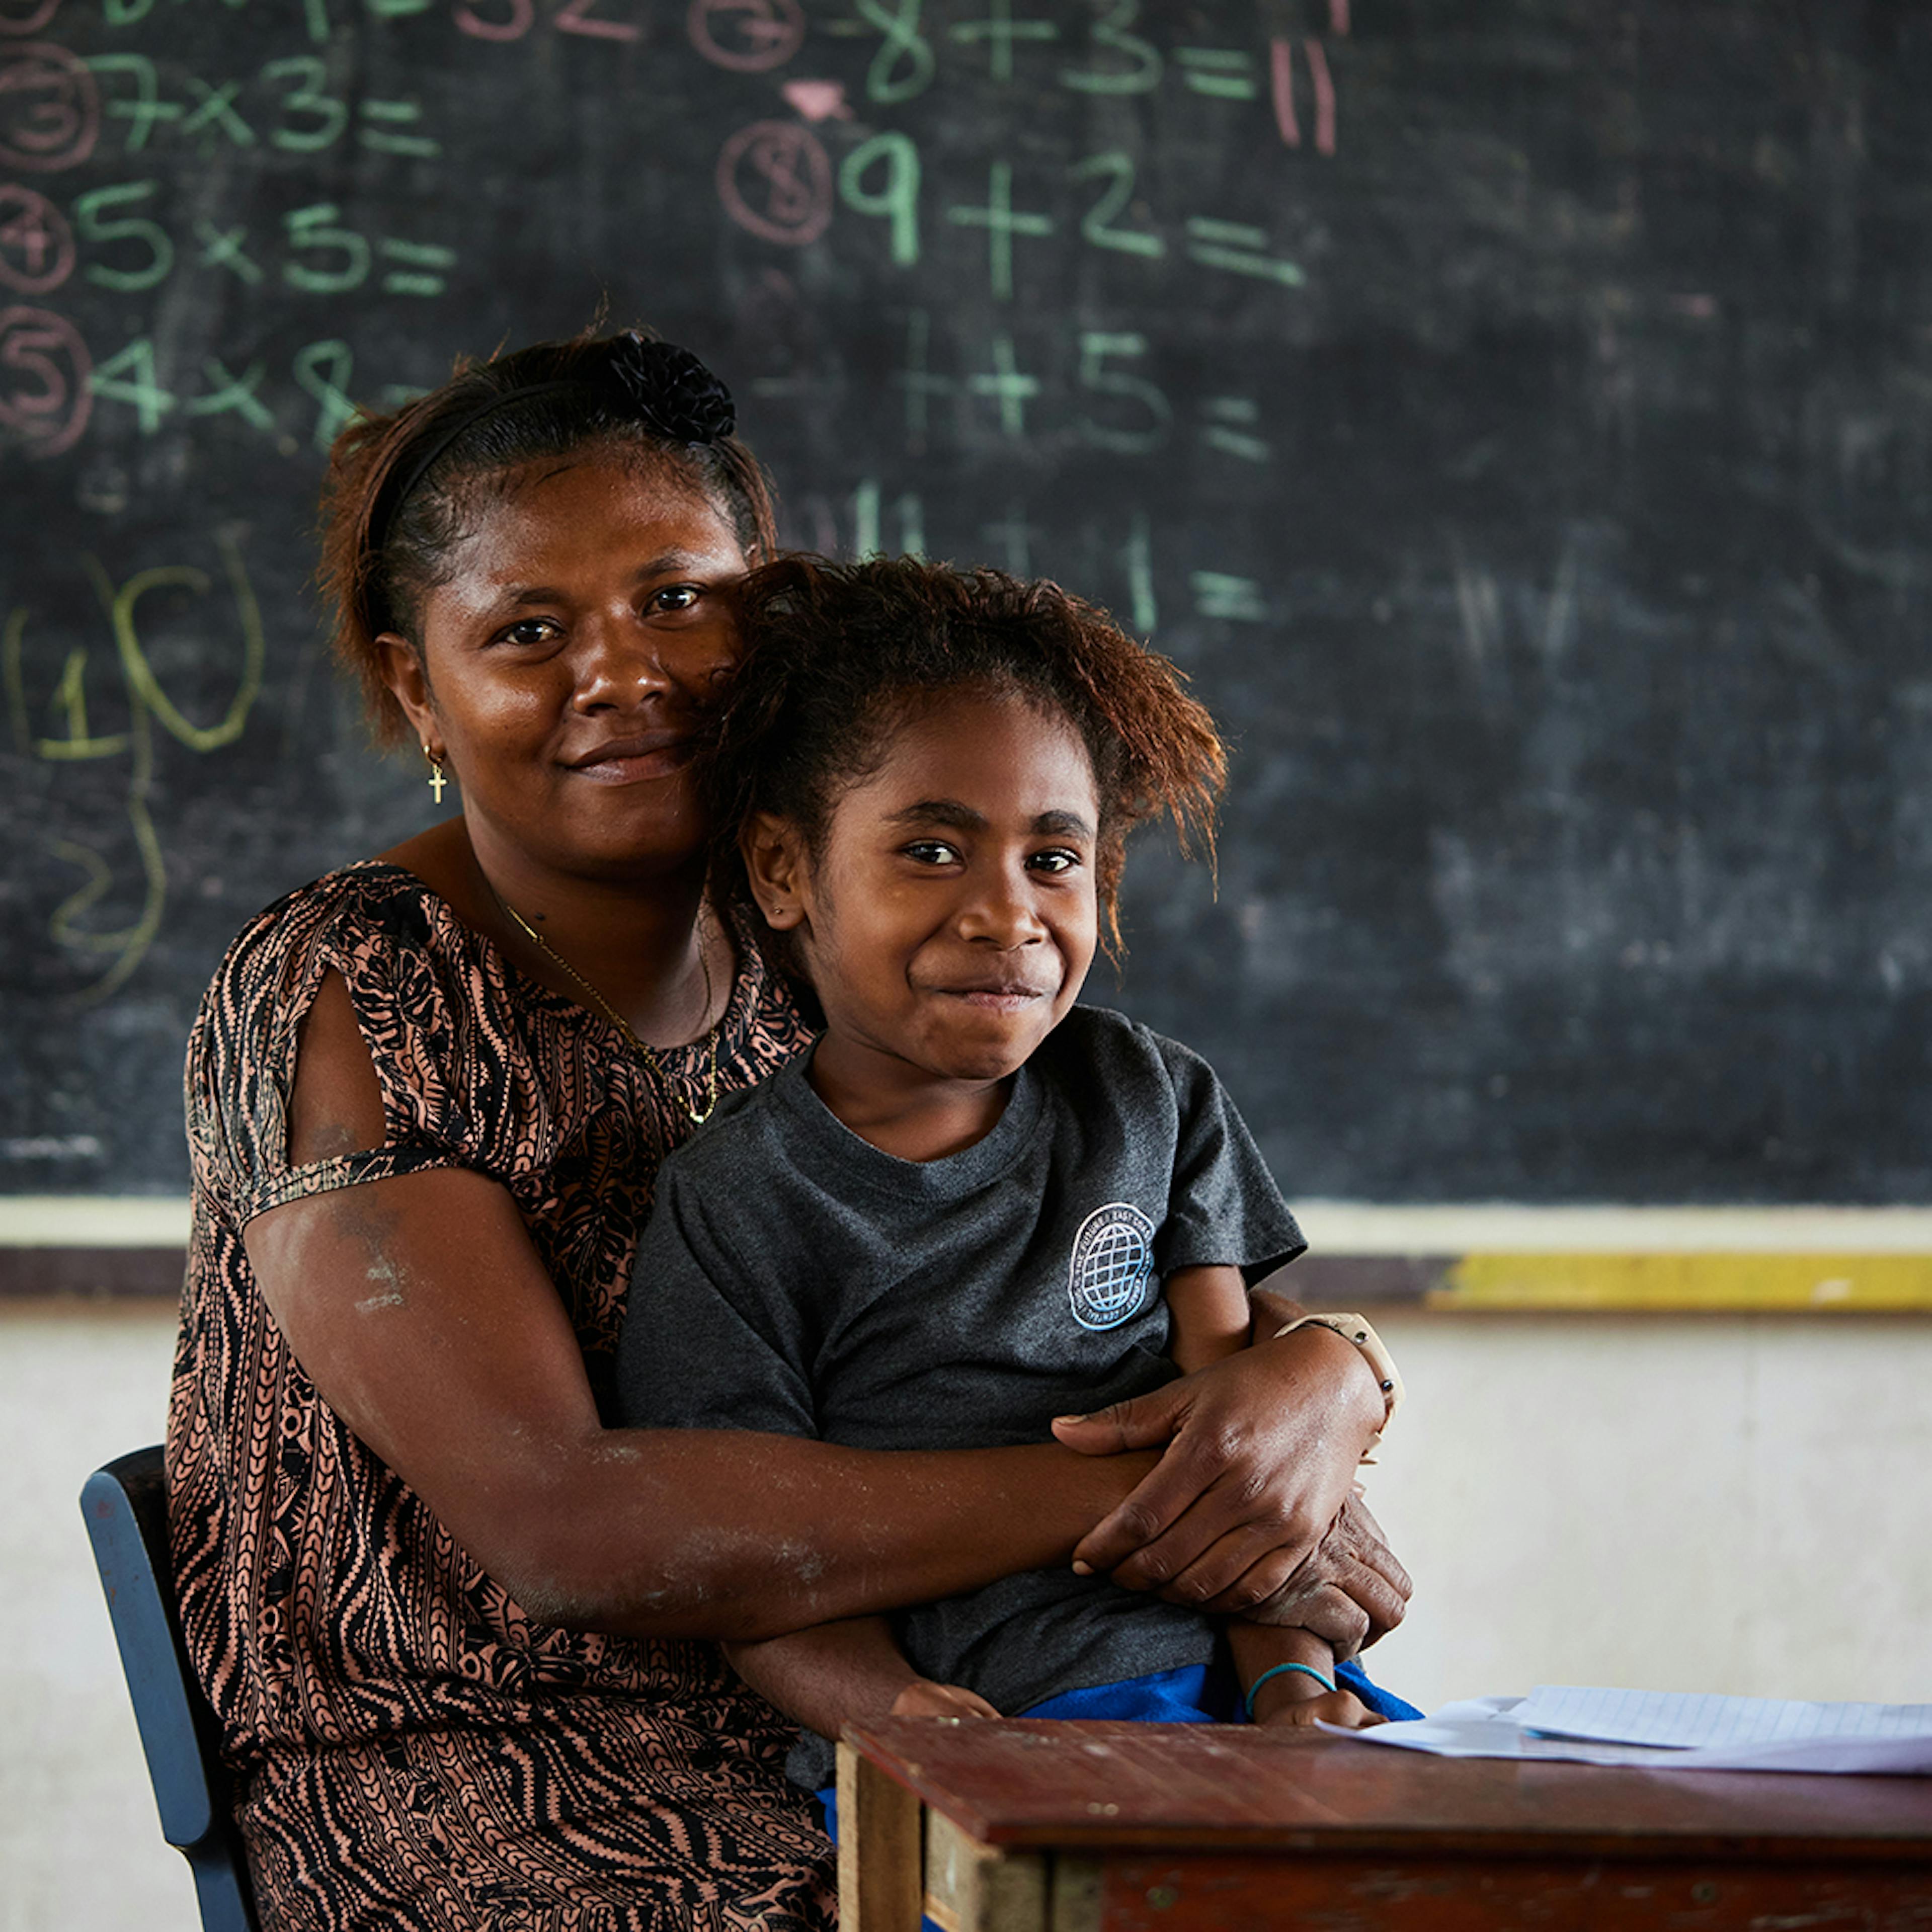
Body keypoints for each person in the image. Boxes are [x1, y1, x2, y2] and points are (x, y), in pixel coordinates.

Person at [167, 327, 1412, 1932]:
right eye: (530, 629)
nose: (625, 672)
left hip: (872, 1699)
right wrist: (1197, 1485)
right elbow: (569, 1528)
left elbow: (1131, 1244)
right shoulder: (357, 986)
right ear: (420, 681)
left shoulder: (824, 940)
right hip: (467, 1762)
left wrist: (1325, 1382)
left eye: (679, 599)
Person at [615, 555, 1417, 1802]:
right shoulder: (738, 1206)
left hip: (1260, 1702)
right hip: (1001, 1731)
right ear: (783, 871)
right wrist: (901, 1719)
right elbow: (750, 1578)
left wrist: (1293, 1687)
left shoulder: (1149, 1097)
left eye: (1056, 858)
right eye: (931, 849)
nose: (1008, 913)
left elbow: (1243, 1472)